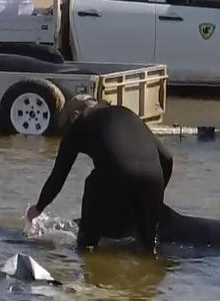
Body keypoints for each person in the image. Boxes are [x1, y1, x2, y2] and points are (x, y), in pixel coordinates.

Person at [26, 96, 174, 254]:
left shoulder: (80, 123)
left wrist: (38, 208)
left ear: (74, 115)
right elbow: (167, 159)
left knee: (87, 248)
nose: (66, 132)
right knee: (148, 251)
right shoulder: (127, 113)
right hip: (154, 179)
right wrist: (153, 197)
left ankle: (88, 251)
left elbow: (58, 176)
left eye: (66, 127)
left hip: (116, 175)